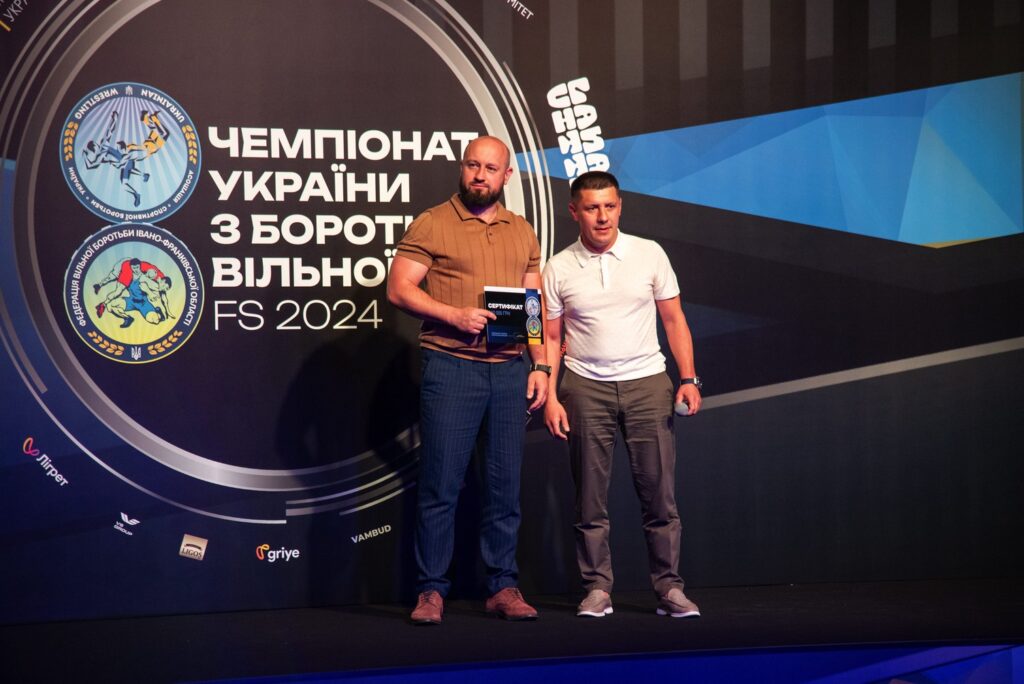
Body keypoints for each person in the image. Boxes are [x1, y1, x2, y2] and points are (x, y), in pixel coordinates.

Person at [387, 135, 549, 625]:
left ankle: (502, 586)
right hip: (451, 367)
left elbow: (533, 305)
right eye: (473, 165)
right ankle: (431, 591)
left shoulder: (522, 230)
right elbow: (398, 287)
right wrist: (452, 315)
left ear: (507, 176)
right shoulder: (433, 222)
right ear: (463, 168)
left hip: (510, 371)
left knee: (504, 487)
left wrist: (541, 365)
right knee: (441, 485)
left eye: (490, 168)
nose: (480, 175)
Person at [542, 170, 702, 619]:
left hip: (648, 383)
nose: (602, 216)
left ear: (620, 207)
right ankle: (597, 589)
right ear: (574, 211)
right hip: (584, 387)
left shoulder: (649, 253)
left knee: (660, 498)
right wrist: (550, 396)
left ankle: (669, 589)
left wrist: (689, 378)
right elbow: (550, 338)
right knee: (589, 501)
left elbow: (674, 320)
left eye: (610, 206)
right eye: (592, 208)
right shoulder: (558, 267)